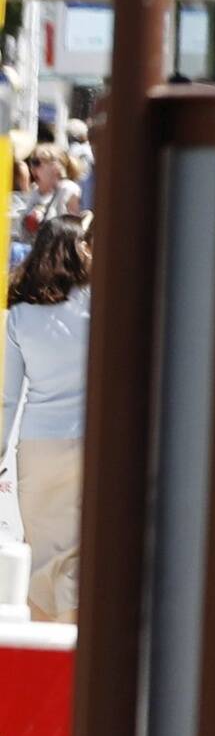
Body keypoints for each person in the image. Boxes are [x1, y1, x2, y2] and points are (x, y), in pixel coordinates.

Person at [4, 211, 84, 621]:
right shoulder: (98, 305)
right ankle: (77, 641)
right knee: (79, 548)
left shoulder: (19, 313)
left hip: (38, 444)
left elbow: (7, 397)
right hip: (91, 438)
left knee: (42, 547)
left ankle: (46, 638)